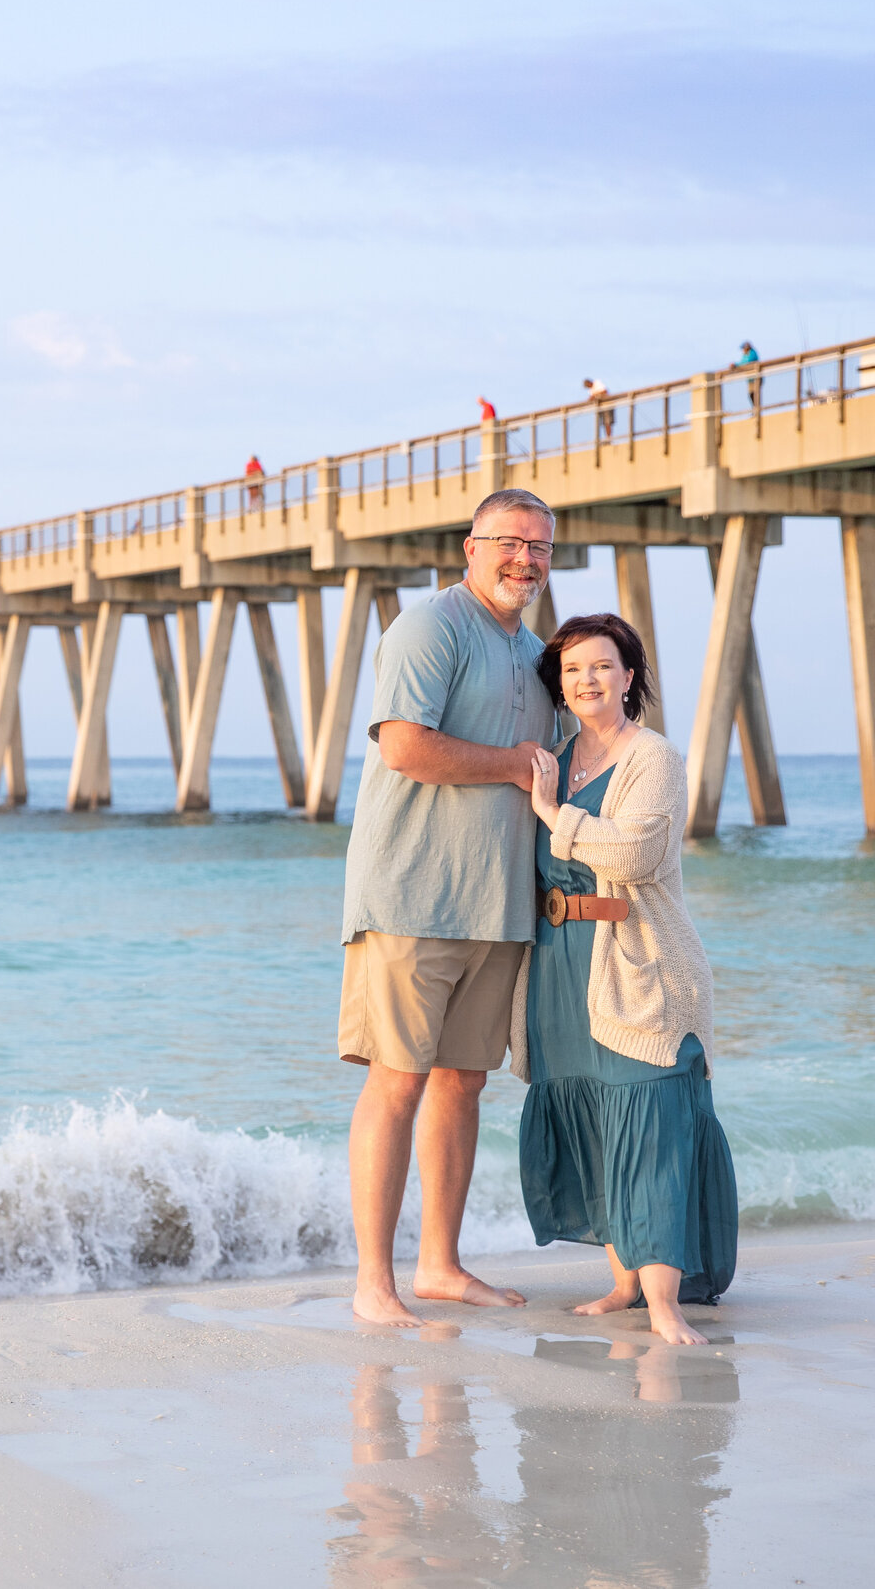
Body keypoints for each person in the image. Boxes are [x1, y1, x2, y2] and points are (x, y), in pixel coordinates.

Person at [339, 488, 561, 1326]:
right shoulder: (428, 627)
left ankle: (439, 1264)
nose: (525, 560)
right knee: (396, 1083)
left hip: (498, 902)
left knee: (462, 1083)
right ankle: (373, 1281)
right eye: (509, 542)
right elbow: (405, 745)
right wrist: (511, 764)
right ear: (470, 546)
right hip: (409, 894)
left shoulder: (538, 654)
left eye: (540, 547)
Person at [517, 611, 737, 1345]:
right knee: (599, 1123)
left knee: (651, 1120)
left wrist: (554, 814)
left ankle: (665, 1300)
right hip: (560, 964)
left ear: (629, 676)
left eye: (603, 665)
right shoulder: (555, 756)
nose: (587, 678)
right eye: (574, 667)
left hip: (636, 959)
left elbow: (635, 855)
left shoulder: (653, 758)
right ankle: (622, 1283)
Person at [734, 343, 759, 412]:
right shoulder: (745, 355)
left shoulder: (752, 353)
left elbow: (746, 362)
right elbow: (742, 362)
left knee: (755, 395)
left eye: (744, 348)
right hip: (750, 379)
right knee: (751, 395)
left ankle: (757, 411)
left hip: (756, 378)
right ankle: (755, 410)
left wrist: (736, 364)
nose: (743, 350)